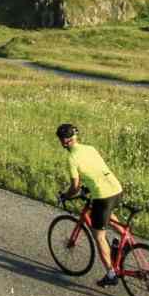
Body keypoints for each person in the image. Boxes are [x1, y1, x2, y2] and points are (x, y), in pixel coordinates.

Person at [56, 123, 123, 287]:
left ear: (63, 141)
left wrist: (65, 196)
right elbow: (96, 169)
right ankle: (124, 241)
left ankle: (111, 274)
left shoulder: (72, 158)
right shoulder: (90, 148)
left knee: (99, 236)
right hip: (117, 188)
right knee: (106, 216)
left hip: (103, 196)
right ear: (75, 136)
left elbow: (75, 187)